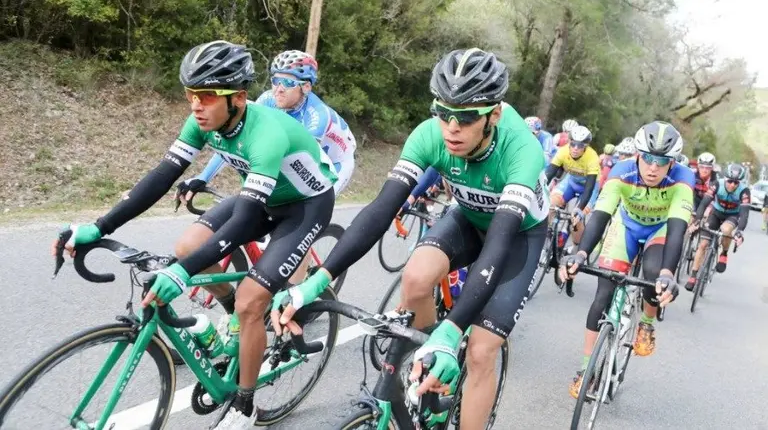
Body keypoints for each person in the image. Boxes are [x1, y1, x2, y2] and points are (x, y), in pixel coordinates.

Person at [52, 40, 338, 429]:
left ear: (238, 98)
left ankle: (245, 403)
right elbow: (160, 178)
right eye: (190, 95)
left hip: (305, 206)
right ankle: (236, 323)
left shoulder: (266, 133)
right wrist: (99, 226)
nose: (195, 105)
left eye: (206, 96)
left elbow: (244, 220)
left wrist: (180, 273)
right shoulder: (203, 121)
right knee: (187, 247)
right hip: (265, 196)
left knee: (252, 300)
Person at [270, 48, 550, 428]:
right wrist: (316, 283)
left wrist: (452, 333)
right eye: (443, 112)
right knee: (415, 278)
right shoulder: (429, 135)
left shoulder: (521, 151)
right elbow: (379, 211)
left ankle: (449, 358)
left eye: (466, 117)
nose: (452, 127)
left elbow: (498, 246)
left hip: (517, 236)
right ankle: (431, 380)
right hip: (467, 217)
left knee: (481, 351)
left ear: (494, 116)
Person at [558, 121, 692, 398]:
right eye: (648, 159)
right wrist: (581, 253)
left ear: (672, 163)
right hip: (626, 226)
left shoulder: (683, 179)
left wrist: (669, 273)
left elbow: (677, 228)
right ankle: (586, 369)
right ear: (638, 156)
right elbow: (601, 216)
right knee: (603, 293)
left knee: (655, 275)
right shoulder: (622, 172)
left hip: (661, 229)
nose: (653, 167)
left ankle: (647, 323)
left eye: (662, 161)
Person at [183, 50, 357, 199]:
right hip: (300, 153)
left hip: (336, 162)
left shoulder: (317, 116)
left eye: (288, 83)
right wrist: (204, 177)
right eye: (275, 81)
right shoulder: (268, 99)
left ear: (306, 87)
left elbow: (304, 164)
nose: (278, 89)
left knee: (310, 203)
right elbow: (235, 140)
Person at [685, 163, 749, 290]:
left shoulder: (744, 191)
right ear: (725, 179)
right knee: (703, 245)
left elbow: (744, 214)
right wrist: (697, 220)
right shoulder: (717, 184)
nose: (732, 185)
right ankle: (693, 276)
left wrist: (739, 231)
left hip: (732, 216)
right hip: (716, 213)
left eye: (736, 183)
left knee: (726, 230)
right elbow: (704, 203)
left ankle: (724, 253)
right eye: (730, 181)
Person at [544, 125, 600, 255]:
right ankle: (546, 233)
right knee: (550, 204)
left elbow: (590, 187)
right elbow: (549, 173)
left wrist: (580, 208)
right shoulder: (563, 151)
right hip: (571, 183)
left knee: (576, 218)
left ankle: (576, 247)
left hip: (588, 188)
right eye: (573, 144)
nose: (575, 148)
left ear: (585, 146)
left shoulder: (592, 157)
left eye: (580, 146)